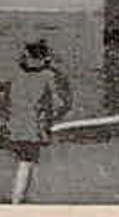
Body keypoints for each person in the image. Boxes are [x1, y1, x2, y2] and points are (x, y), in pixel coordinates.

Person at [6, 40, 72, 204]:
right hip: (34, 127)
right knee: (27, 163)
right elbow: (62, 104)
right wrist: (51, 119)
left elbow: (1, 101)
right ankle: (17, 201)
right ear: (45, 57)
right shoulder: (49, 75)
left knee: (24, 162)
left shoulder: (15, 74)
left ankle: (19, 199)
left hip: (14, 125)